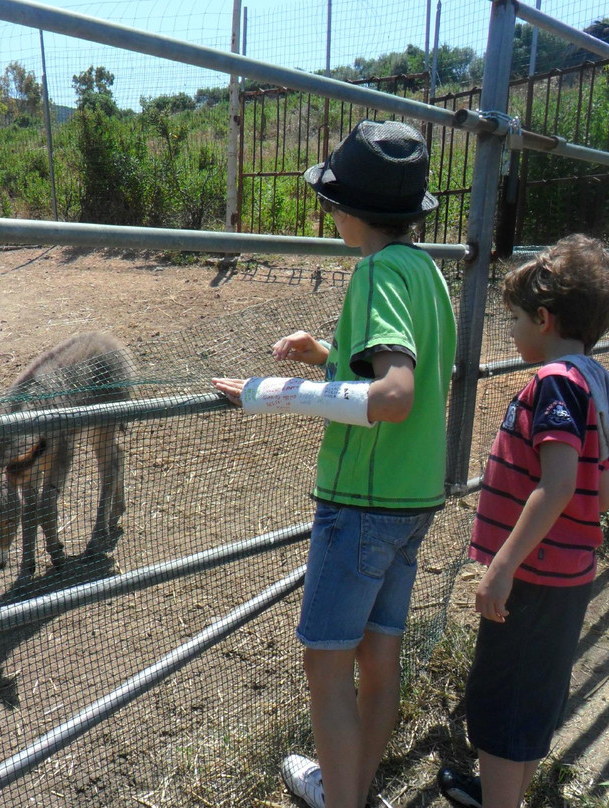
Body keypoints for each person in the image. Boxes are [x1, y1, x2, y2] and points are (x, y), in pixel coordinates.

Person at [211, 119, 456, 808]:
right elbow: (401, 356)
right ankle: (350, 784)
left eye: (332, 203)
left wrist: (269, 393)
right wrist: (327, 349)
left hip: (363, 502)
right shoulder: (423, 269)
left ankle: (341, 797)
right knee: (378, 661)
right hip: (412, 499)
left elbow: (395, 392)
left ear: (350, 210)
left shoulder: (376, 271)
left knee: (325, 664)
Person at [437, 236, 609, 808]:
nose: (512, 330)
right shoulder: (595, 380)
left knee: (500, 702)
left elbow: (560, 483)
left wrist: (502, 567)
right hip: (568, 574)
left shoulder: (554, 384)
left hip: (534, 577)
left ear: (544, 319)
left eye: (515, 319)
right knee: (531, 698)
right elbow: (605, 485)